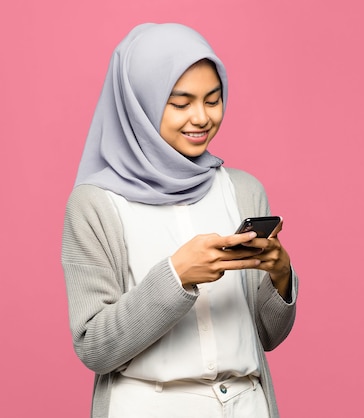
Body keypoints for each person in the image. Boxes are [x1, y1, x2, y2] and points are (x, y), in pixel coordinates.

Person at [61, 22, 298, 418]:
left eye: (213, 99)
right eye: (181, 102)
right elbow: (94, 346)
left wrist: (281, 275)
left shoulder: (243, 190)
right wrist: (176, 275)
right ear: (141, 104)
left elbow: (268, 336)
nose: (202, 117)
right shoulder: (95, 204)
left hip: (247, 406)